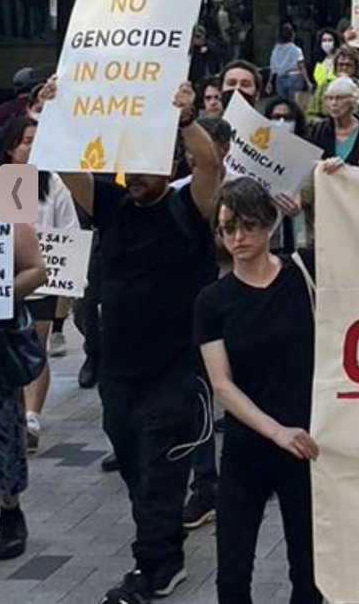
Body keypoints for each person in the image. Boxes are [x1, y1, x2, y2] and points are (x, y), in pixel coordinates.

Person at [43, 77, 222, 603]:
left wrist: (187, 119)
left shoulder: (189, 208)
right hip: (121, 375)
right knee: (138, 472)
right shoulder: (112, 204)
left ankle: (155, 569)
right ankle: (163, 549)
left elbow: (210, 166)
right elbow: (70, 166)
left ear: (171, 166)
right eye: (131, 166)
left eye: (149, 166)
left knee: (161, 474)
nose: (138, 177)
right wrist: (59, 112)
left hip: (176, 373)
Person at [195, 178, 319, 604]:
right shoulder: (213, 300)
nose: (237, 238)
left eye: (247, 225)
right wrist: (276, 431)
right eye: (227, 228)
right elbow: (222, 386)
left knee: (309, 570)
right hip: (250, 445)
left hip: (307, 444)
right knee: (231, 575)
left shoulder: (302, 275)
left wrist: (327, 183)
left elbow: (351, 242)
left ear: (269, 225)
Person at [0, 117, 79, 454]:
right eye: (26, 141)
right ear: (10, 147)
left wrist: (71, 284)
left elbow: (70, 228)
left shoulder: (54, 182)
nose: (31, 148)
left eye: (36, 140)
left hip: (43, 282)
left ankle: (31, 416)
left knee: (34, 347)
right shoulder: (6, 182)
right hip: (7, 284)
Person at [0, 222, 47, 559]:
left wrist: (2, 292)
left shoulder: (8, 208)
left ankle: (9, 509)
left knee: (3, 429)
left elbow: (37, 270)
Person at [308, 75, 359, 165]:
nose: (333, 103)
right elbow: (309, 161)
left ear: (353, 100)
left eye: (339, 98)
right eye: (330, 98)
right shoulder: (319, 129)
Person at [268, 23, 309, 102]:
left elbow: (272, 67)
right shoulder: (296, 50)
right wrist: (308, 81)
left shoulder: (275, 49)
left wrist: (269, 82)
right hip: (294, 76)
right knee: (294, 103)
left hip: (280, 78)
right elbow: (301, 66)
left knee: (283, 103)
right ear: (292, 35)